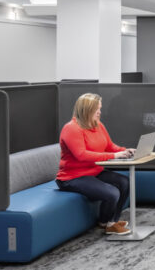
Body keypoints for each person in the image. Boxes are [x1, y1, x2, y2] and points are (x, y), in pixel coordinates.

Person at [56, 93, 134, 235]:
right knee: (112, 192)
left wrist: (125, 151)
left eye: (100, 108)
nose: (100, 112)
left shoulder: (98, 125)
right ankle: (107, 223)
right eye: (96, 109)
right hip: (72, 177)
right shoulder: (71, 128)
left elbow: (110, 146)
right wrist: (113, 156)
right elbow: (81, 155)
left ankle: (111, 222)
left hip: (94, 172)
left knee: (125, 182)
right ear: (86, 110)